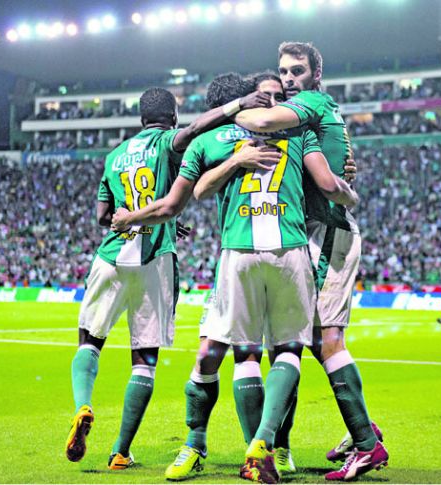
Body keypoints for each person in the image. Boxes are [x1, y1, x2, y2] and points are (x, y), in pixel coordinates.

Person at [111, 71, 358, 484]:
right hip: (275, 252)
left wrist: (128, 218)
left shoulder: (208, 141)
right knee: (276, 351)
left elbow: (184, 200)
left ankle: (257, 448)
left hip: (243, 255)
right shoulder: (292, 132)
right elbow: (329, 181)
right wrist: (349, 186)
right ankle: (227, 444)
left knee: (234, 352)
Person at [64, 84, 272, 470]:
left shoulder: (114, 156)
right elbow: (194, 132)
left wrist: (128, 214)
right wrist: (238, 105)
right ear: (171, 117)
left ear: (140, 118)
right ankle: (120, 451)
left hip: (111, 255)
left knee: (89, 340)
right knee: (143, 360)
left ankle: (83, 405)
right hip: (155, 257)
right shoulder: (166, 142)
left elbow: (101, 216)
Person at [234, 42, 387, 481]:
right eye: (283, 70)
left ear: (315, 75)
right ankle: (361, 429)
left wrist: (235, 110)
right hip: (315, 234)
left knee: (325, 341)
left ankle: (366, 444)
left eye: (297, 70)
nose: (289, 77)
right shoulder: (311, 116)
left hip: (329, 234)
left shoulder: (311, 104)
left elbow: (263, 121)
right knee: (308, 343)